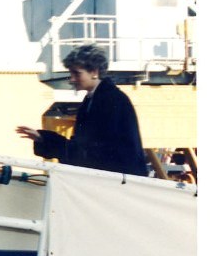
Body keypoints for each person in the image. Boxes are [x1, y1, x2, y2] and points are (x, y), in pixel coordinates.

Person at [16, 43, 148, 176]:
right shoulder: (97, 99)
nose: (72, 79)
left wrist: (47, 141)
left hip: (116, 182)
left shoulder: (111, 100)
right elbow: (88, 149)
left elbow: (98, 151)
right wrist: (43, 138)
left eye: (77, 73)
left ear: (94, 72)